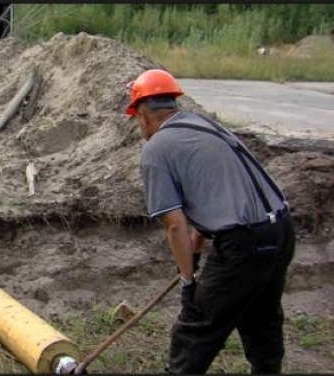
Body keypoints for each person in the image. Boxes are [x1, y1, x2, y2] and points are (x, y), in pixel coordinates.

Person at [125, 69, 295, 374]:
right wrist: (196, 252)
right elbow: (212, 195)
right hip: (281, 229)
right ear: (173, 105)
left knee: (196, 328)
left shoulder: (156, 149)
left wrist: (188, 283)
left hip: (245, 243)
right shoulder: (204, 126)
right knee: (262, 319)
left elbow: (174, 223)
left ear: (141, 115)